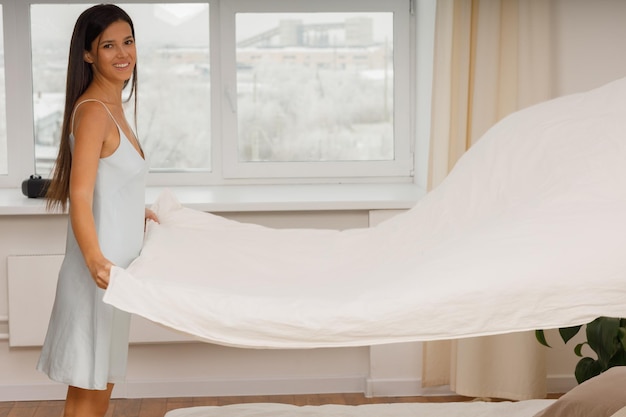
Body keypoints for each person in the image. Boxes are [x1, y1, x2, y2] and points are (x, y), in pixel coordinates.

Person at [37, 4, 157, 417]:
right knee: (86, 399)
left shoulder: (114, 109)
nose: (123, 53)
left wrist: (136, 212)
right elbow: (81, 198)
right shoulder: (92, 113)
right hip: (97, 274)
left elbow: (109, 185)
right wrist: (95, 262)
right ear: (88, 55)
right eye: (109, 45)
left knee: (99, 390)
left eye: (128, 41)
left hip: (114, 276)